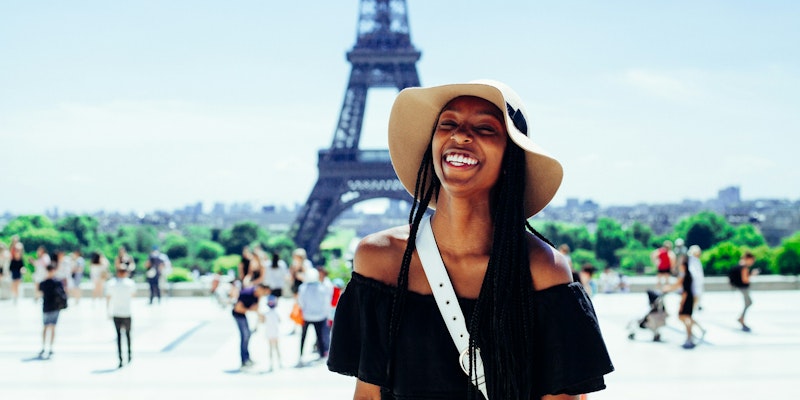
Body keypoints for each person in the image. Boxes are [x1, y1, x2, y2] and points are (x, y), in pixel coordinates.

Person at [327, 80, 613, 399]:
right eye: (448, 123)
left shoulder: (544, 270)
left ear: (511, 157)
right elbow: (368, 394)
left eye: (485, 128)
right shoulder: (379, 260)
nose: (460, 134)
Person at [661, 258, 705, 349]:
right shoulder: (687, 275)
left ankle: (690, 337)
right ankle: (698, 330)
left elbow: (682, 289)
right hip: (690, 298)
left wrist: (681, 303)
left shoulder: (685, 276)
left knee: (685, 317)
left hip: (687, 298)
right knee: (686, 317)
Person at [231, 281, 270, 370]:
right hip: (237, 315)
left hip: (243, 314)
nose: (264, 295)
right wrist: (249, 309)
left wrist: (260, 317)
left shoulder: (257, 296)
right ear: (260, 289)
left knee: (247, 335)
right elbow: (238, 308)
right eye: (264, 292)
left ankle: (247, 358)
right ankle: (244, 360)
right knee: (244, 336)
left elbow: (256, 308)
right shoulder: (247, 293)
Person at [297, 267, 332, 366]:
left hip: (307, 316)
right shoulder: (322, 287)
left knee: (303, 336)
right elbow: (326, 302)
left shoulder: (303, 287)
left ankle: (301, 354)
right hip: (320, 316)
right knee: (319, 335)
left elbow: (300, 302)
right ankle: (321, 355)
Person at [105, 263, 136, 368]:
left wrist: (108, 311)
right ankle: (129, 355)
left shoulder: (111, 284)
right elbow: (133, 295)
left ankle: (120, 359)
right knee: (128, 335)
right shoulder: (130, 283)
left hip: (116, 312)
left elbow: (108, 297)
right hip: (127, 313)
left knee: (118, 336)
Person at [38, 263, 67, 358]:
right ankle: (46, 347)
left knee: (49, 327)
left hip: (50, 307)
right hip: (51, 307)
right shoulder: (56, 282)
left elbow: (38, 292)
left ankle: (48, 347)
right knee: (48, 327)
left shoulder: (46, 282)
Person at [730, 251, 758, 332]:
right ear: (748, 259)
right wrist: (752, 274)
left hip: (740, 287)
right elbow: (745, 279)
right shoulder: (744, 267)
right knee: (749, 302)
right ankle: (741, 318)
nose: (752, 262)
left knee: (748, 303)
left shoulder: (740, 264)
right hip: (743, 288)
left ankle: (741, 318)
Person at [262, 294, 282, 372]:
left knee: (271, 349)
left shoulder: (266, 313)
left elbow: (263, 321)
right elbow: (280, 321)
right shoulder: (275, 313)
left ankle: (272, 363)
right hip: (275, 332)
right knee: (277, 348)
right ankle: (279, 362)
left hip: (269, 333)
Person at [686, 245, 705, 311]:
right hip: (695, 282)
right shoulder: (692, 260)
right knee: (695, 295)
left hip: (698, 281)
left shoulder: (696, 259)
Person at [9, 236, 25, 304]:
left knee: (17, 284)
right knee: (13, 284)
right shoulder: (12, 248)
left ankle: (16, 297)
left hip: (18, 268)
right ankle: (15, 296)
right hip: (13, 268)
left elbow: (22, 263)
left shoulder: (19, 246)